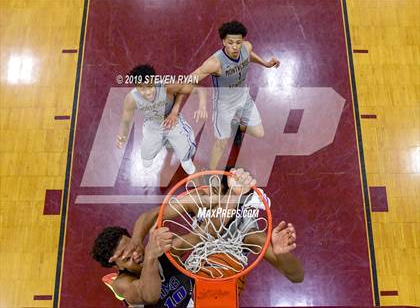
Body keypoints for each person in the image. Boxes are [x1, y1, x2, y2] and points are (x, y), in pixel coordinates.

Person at [91, 169, 303, 307]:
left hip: (201, 294)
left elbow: (206, 232)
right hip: (183, 293)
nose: (136, 254)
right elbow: (150, 296)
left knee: (216, 263)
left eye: (133, 249)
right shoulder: (124, 283)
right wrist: (142, 246)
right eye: (127, 257)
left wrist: (282, 255)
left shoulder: (246, 233)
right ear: (115, 264)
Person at [190, 21, 280, 169]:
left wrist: (266, 63)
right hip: (224, 106)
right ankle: (211, 173)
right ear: (223, 41)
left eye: (238, 42)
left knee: (259, 133)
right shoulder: (215, 63)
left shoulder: (246, 47)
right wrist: (201, 103)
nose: (235, 47)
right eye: (230, 42)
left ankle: (235, 126)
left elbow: (248, 55)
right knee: (221, 143)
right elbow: (189, 80)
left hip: (243, 98)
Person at [116, 64, 203, 175]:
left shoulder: (167, 87)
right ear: (135, 87)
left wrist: (202, 106)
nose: (147, 92)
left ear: (155, 80)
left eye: (150, 86)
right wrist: (122, 135)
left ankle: (185, 160)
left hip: (172, 120)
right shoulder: (131, 99)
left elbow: (198, 89)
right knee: (146, 160)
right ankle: (164, 143)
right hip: (152, 123)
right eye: (142, 89)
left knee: (184, 150)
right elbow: (126, 121)